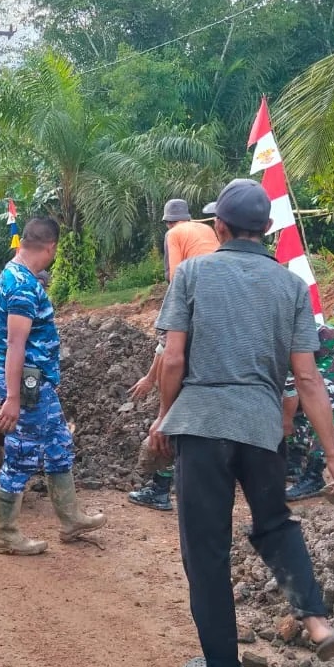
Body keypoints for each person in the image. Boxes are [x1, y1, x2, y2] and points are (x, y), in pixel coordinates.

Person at [148, 178, 334, 667]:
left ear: (218, 227)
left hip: (203, 426)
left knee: (206, 550)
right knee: (274, 524)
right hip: (263, 427)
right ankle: (315, 619)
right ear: (267, 230)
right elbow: (308, 379)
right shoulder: (291, 287)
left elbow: (173, 358)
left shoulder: (194, 273)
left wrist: (163, 419)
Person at [0, 218, 105, 555]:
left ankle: (70, 519)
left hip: (38, 385)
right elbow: (15, 343)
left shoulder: (12, 275)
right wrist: (12, 397)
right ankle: (5, 533)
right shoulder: (22, 284)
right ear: (51, 246)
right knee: (21, 456)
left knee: (58, 444)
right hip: (25, 387)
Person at [127, 199, 222, 511]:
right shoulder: (208, 231)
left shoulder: (174, 235)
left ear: (168, 222)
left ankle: (160, 489)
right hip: (217, 313)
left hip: (193, 304)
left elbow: (176, 277)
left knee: (171, 410)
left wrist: (155, 387)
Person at [283, 324, 334, 500]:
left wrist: (286, 420)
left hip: (331, 348)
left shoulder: (266, 339)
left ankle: (314, 474)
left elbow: (290, 390)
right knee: (297, 406)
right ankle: (294, 464)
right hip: (302, 352)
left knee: (322, 406)